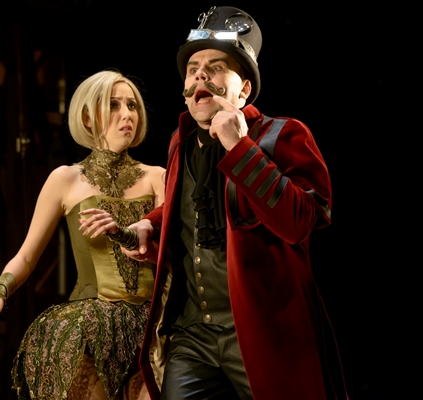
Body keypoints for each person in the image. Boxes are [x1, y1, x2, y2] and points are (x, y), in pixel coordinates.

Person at [122, 6, 349, 400]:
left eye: (215, 68)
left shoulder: (283, 134)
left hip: (261, 332)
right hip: (193, 333)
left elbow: (300, 221)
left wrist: (238, 146)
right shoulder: (180, 142)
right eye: (193, 69)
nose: (200, 76)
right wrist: (152, 224)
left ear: (243, 90)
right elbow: (187, 202)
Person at [0, 70, 165, 400]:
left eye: (132, 105)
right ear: (88, 117)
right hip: (91, 328)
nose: (127, 114)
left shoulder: (157, 177)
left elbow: (169, 251)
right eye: (114, 104)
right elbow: (27, 255)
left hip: (152, 328)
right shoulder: (65, 179)